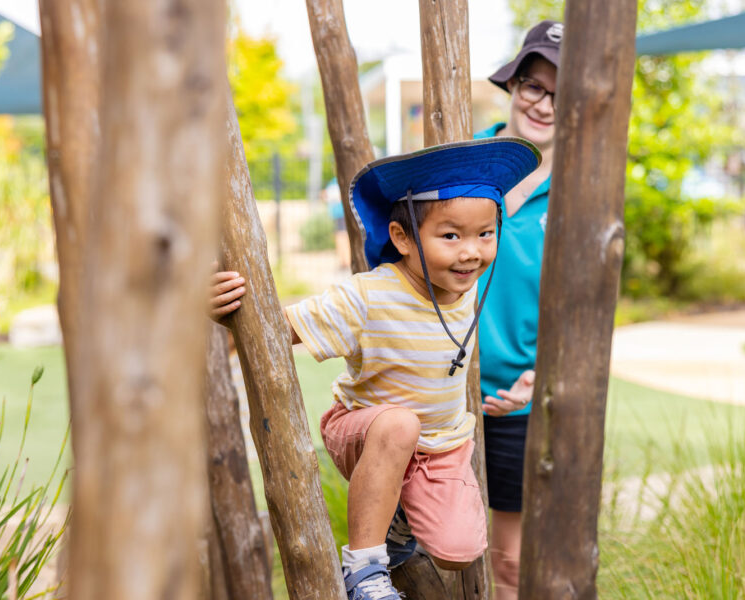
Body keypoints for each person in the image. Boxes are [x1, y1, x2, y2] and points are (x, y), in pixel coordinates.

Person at [210, 138, 540, 600]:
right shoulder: (367, 296)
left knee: (461, 549)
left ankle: (396, 525)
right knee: (400, 424)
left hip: (438, 447)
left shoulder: (465, 289)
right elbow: (276, 329)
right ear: (402, 239)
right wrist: (224, 310)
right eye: (451, 236)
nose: (471, 252)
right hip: (366, 432)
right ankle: (363, 569)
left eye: (485, 234)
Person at [474, 19, 561, 600]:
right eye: (535, 86)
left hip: (515, 404)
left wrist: (540, 379)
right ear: (514, 84)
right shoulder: (463, 163)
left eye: (563, 93)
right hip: (436, 394)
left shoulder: (584, 191)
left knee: (509, 564)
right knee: (430, 557)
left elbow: (582, 311)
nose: (545, 105)